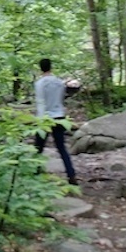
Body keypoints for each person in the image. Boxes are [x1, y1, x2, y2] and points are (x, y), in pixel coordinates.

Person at [34, 57, 78, 186]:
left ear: (40, 68)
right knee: (62, 148)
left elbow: (40, 102)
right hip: (59, 117)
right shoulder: (59, 82)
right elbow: (61, 99)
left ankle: (35, 174)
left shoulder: (39, 83)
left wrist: (39, 120)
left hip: (45, 118)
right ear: (51, 67)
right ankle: (71, 175)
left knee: (38, 148)